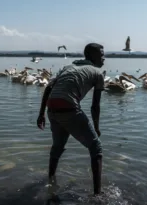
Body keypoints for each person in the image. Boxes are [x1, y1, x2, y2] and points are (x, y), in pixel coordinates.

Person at [37, 43, 105, 196]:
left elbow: (48, 88)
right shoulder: (97, 73)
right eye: (101, 55)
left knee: (58, 146)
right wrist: (96, 127)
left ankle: (50, 180)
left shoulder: (68, 67)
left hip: (52, 108)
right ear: (93, 56)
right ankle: (98, 194)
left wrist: (41, 114)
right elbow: (95, 106)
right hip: (68, 107)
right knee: (96, 148)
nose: (104, 58)